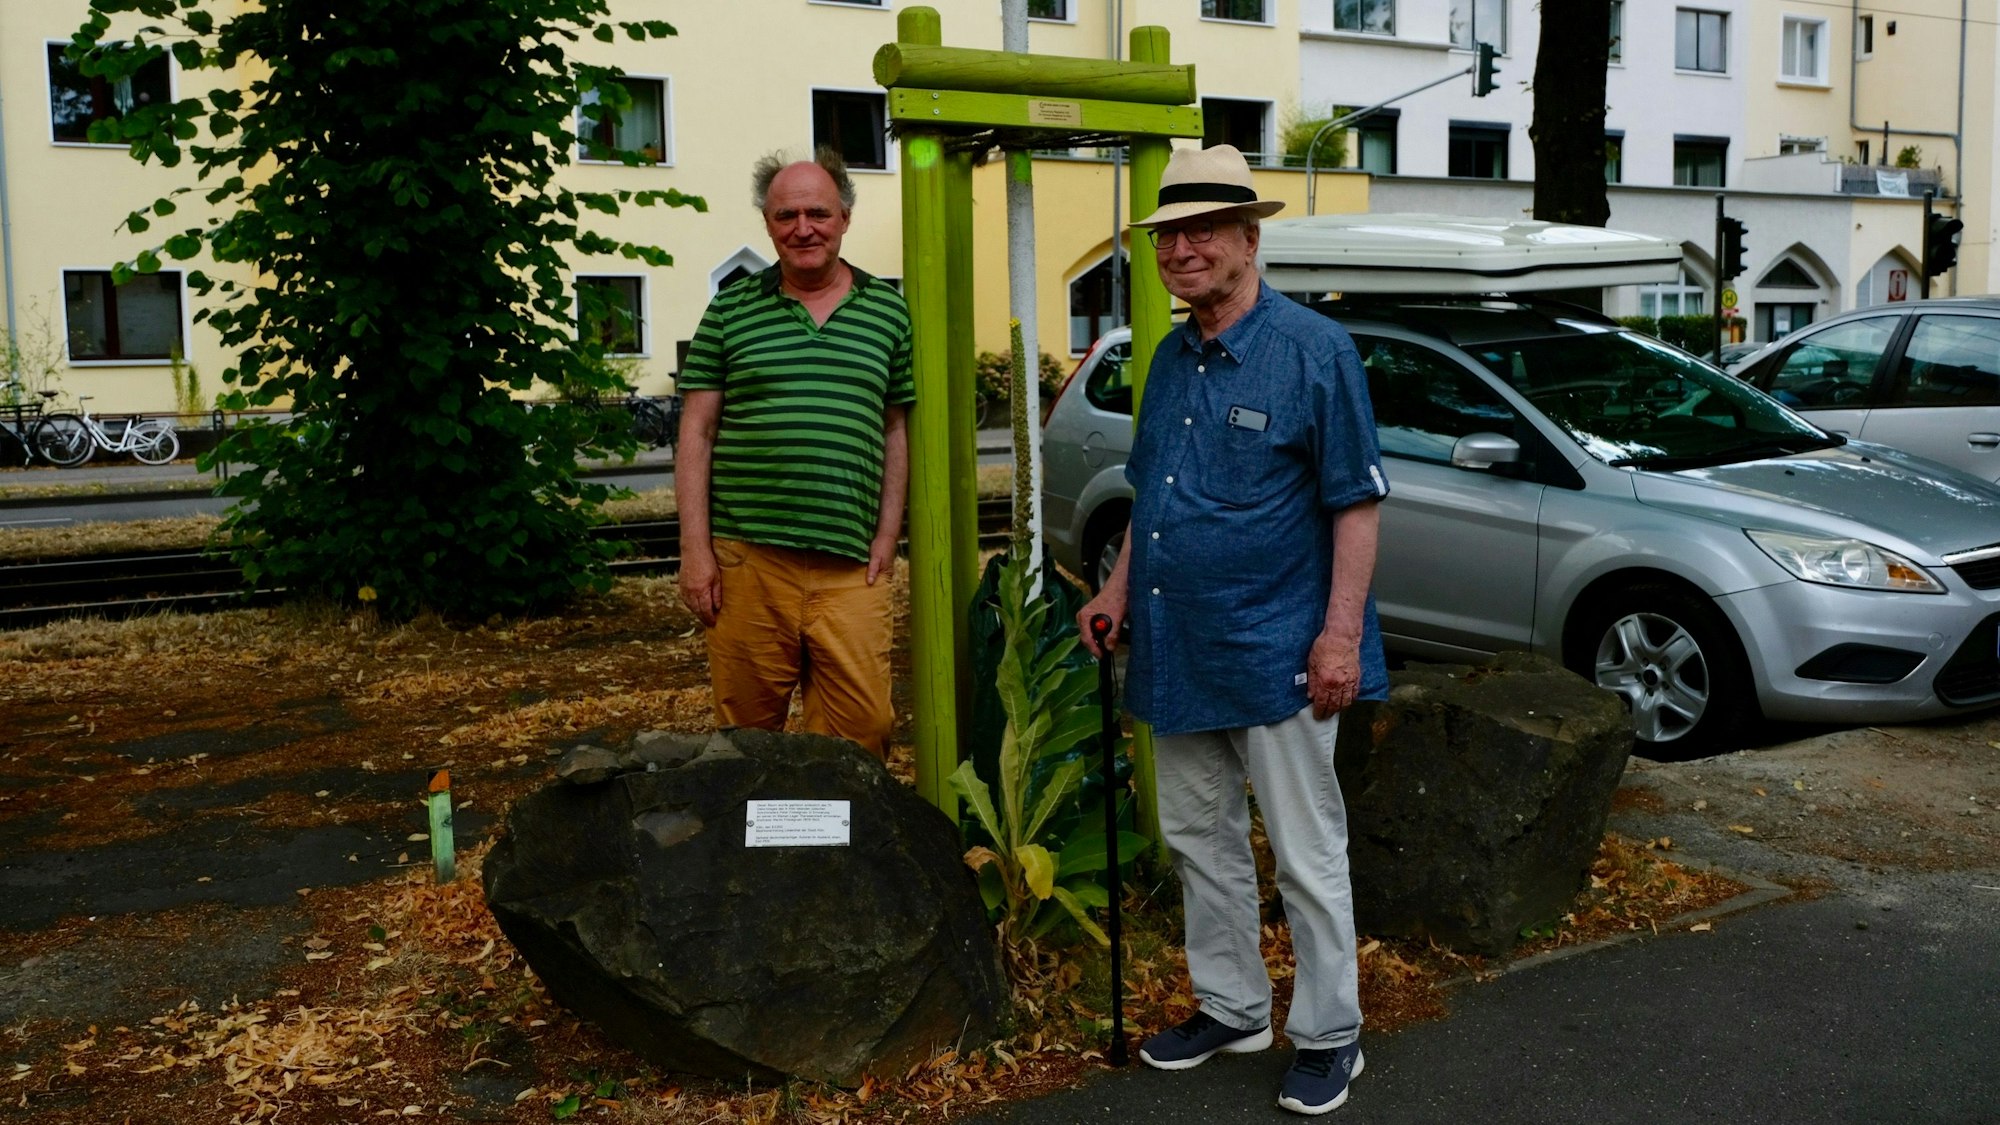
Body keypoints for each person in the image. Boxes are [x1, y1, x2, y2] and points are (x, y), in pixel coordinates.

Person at [1077, 144, 1389, 1117]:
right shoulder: (1166, 359)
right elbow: (1153, 495)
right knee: (1195, 837)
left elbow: (1355, 505)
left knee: (1303, 847)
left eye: (1204, 229)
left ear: (1248, 239)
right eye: (1170, 232)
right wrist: (1118, 590)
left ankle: (1330, 1032)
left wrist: (1338, 639)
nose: (1183, 248)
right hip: (1178, 644)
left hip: (1281, 648)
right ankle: (1230, 1006)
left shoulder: (1312, 351)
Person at [676, 148, 914, 759]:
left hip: (851, 564)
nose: (802, 228)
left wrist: (888, 536)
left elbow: (894, 429)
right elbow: (696, 431)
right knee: (747, 737)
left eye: (817, 212)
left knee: (863, 730)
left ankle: (830, 852)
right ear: (767, 223)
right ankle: (760, 854)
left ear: (844, 219)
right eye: (786, 215)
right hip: (748, 560)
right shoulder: (730, 310)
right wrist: (695, 551)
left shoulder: (888, 311)